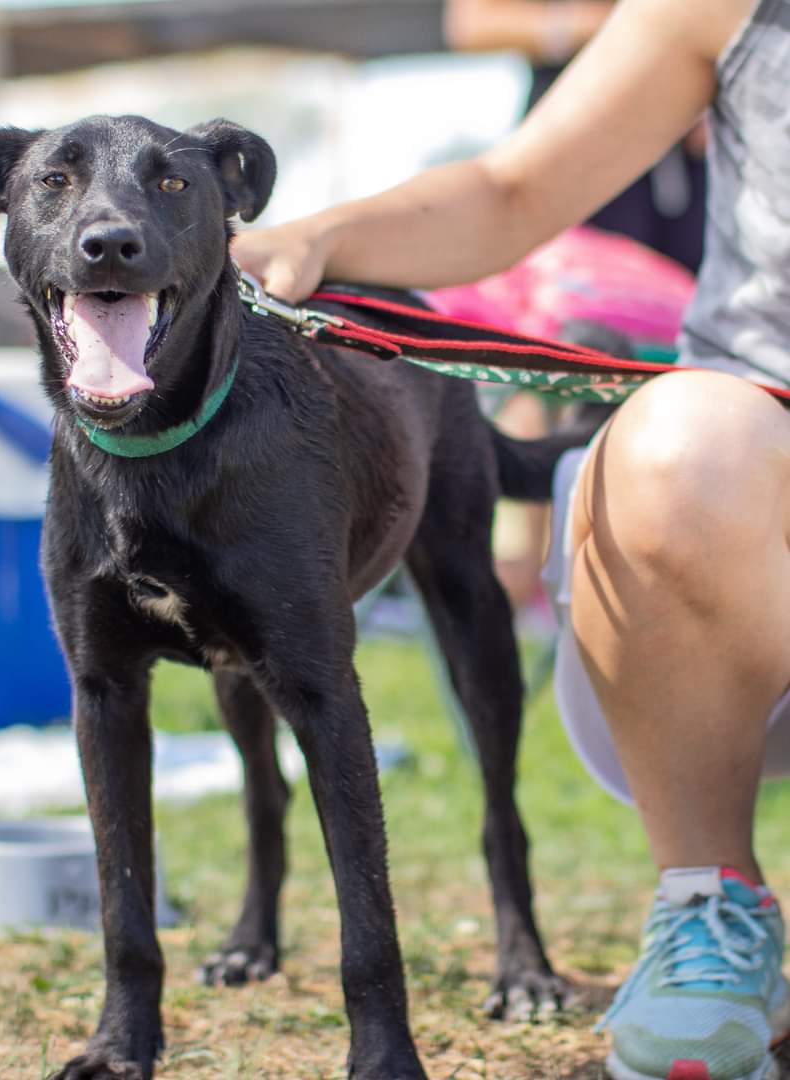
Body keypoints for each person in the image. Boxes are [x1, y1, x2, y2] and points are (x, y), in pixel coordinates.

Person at [231, 2, 790, 1078]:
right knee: (678, 443)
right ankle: (710, 916)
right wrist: (320, 236)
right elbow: (514, 188)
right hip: (746, 505)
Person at [445, 0, 707, 273]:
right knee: (591, 283)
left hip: (680, 138)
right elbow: (474, 25)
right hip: (573, 133)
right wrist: (612, 27)